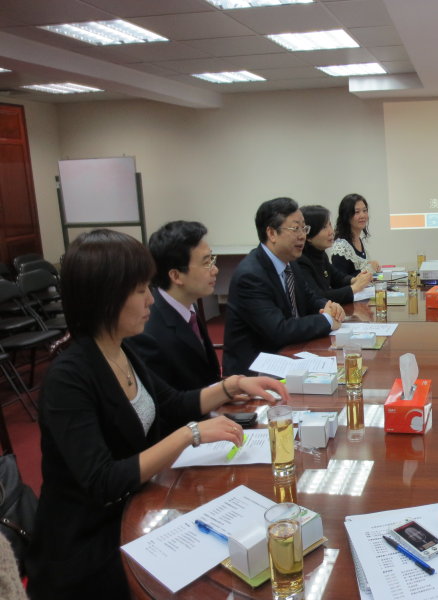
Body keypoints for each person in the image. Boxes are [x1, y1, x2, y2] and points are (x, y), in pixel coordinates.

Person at [26, 230, 289, 600]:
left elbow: (172, 402)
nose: (150, 299)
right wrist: (189, 435)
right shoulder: (68, 378)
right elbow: (103, 480)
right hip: (90, 540)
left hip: (140, 506)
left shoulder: (122, 350)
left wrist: (233, 385)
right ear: (105, 299)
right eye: (139, 290)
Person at [223, 197, 345, 375]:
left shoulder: (290, 262)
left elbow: (310, 298)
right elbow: (278, 330)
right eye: (295, 229)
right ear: (272, 233)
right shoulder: (251, 275)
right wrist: (326, 320)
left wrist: (329, 307)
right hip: (256, 373)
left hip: (290, 354)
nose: (302, 236)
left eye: (304, 228)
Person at [128, 221, 222, 390]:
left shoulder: (187, 306)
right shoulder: (149, 333)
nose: (215, 270)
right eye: (206, 262)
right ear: (176, 276)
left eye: (212, 259)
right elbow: (166, 400)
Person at [297, 205, 371, 305]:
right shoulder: (301, 261)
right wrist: (354, 288)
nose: (331, 232)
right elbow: (318, 296)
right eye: (324, 227)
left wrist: (355, 280)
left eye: (330, 225)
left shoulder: (321, 254)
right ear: (308, 235)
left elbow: (337, 277)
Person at [331, 193, 380, 276]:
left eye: (364, 211)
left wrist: (372, 266)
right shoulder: (340, 247)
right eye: (357, 212)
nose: (362, 215)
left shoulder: (358, 239)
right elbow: (341, 280)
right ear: (346, 216)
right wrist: (369, 269)